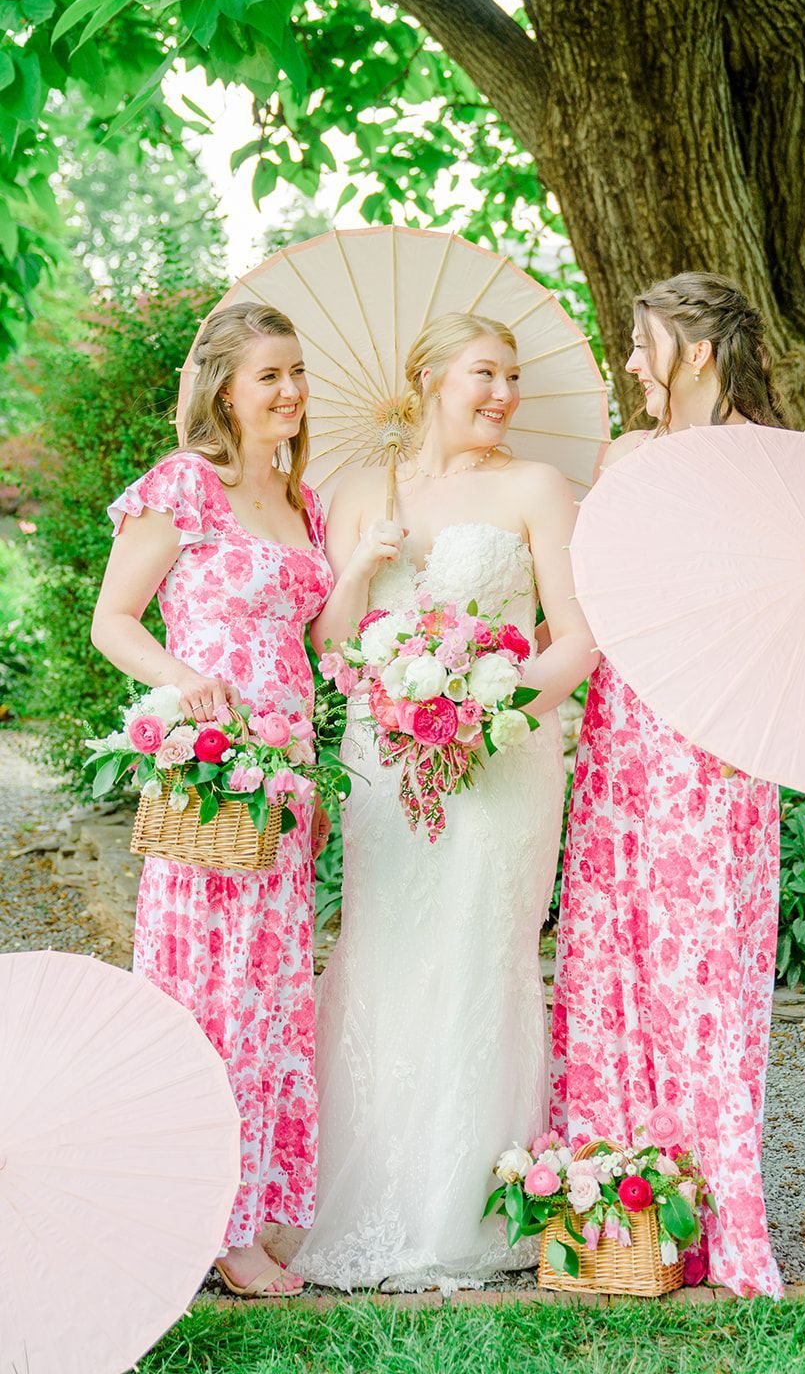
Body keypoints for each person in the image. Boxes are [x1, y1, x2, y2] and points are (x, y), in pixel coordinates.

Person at [293, 312, 596, 1291]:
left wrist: (491, 710)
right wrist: (359, 563)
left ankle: (465, 1207)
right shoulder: (357, 493)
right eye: (483, 373)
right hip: (384, 762)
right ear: (427, 378)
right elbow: (331, 648)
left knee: (476, 950)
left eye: (511, 377)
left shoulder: (535, 488)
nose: (503, 393)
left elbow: (574, 639)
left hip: (500, 759)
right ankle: (368, 1188)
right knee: (384, 947)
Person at [550, 272, 786, 1299]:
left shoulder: (770, 467)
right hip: (620, 734)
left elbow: (784, 620)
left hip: (717, 743)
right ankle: (614, 1216)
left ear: (692, 351)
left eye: (643, 346)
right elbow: (597, 597)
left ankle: (714, 1218)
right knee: (611, 960)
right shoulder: (625, 457)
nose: (631, 364)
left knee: (698, 974)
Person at [92, 302, 333, 1299]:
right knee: (209, 992)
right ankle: (209, 1223)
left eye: (296, 373)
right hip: (208, 774)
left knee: (273, 995)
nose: (288, 391)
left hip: (288, 780)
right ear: (224, 387)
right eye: (268, 375)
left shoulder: (308, 505)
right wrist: (185, 683)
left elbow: (314, 648)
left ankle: (254, 1208)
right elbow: (113, 621)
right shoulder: (187, 488)